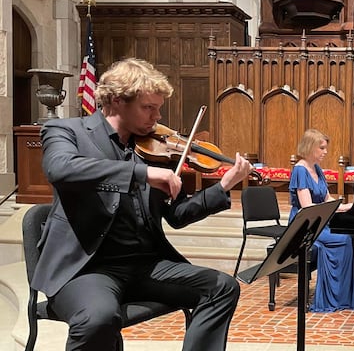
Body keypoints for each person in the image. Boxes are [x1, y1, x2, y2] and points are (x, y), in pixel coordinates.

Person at [31, 58, 253, 351]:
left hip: (145, 266)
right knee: (98, 318)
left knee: (221, 288)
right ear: (117, 101)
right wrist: (141, 173)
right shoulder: (68, 132)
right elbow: (60, 169)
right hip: (87, 268)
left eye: (158, 108)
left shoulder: (152, 150)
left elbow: (177, 214)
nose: (157, 117)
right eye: (149, 108)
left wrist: (224, 185)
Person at [289, 129, 354, 312]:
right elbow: (308, 208)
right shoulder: (300, 170)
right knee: (344, 240)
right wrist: (334, 209)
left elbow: (326, 200)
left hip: (320, 221)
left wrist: (349, 206)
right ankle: (335, 298)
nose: (325, 152)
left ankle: (352, 296)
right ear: (311, 147)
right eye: (322, 148)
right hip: (305, 225)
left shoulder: (317, 169)